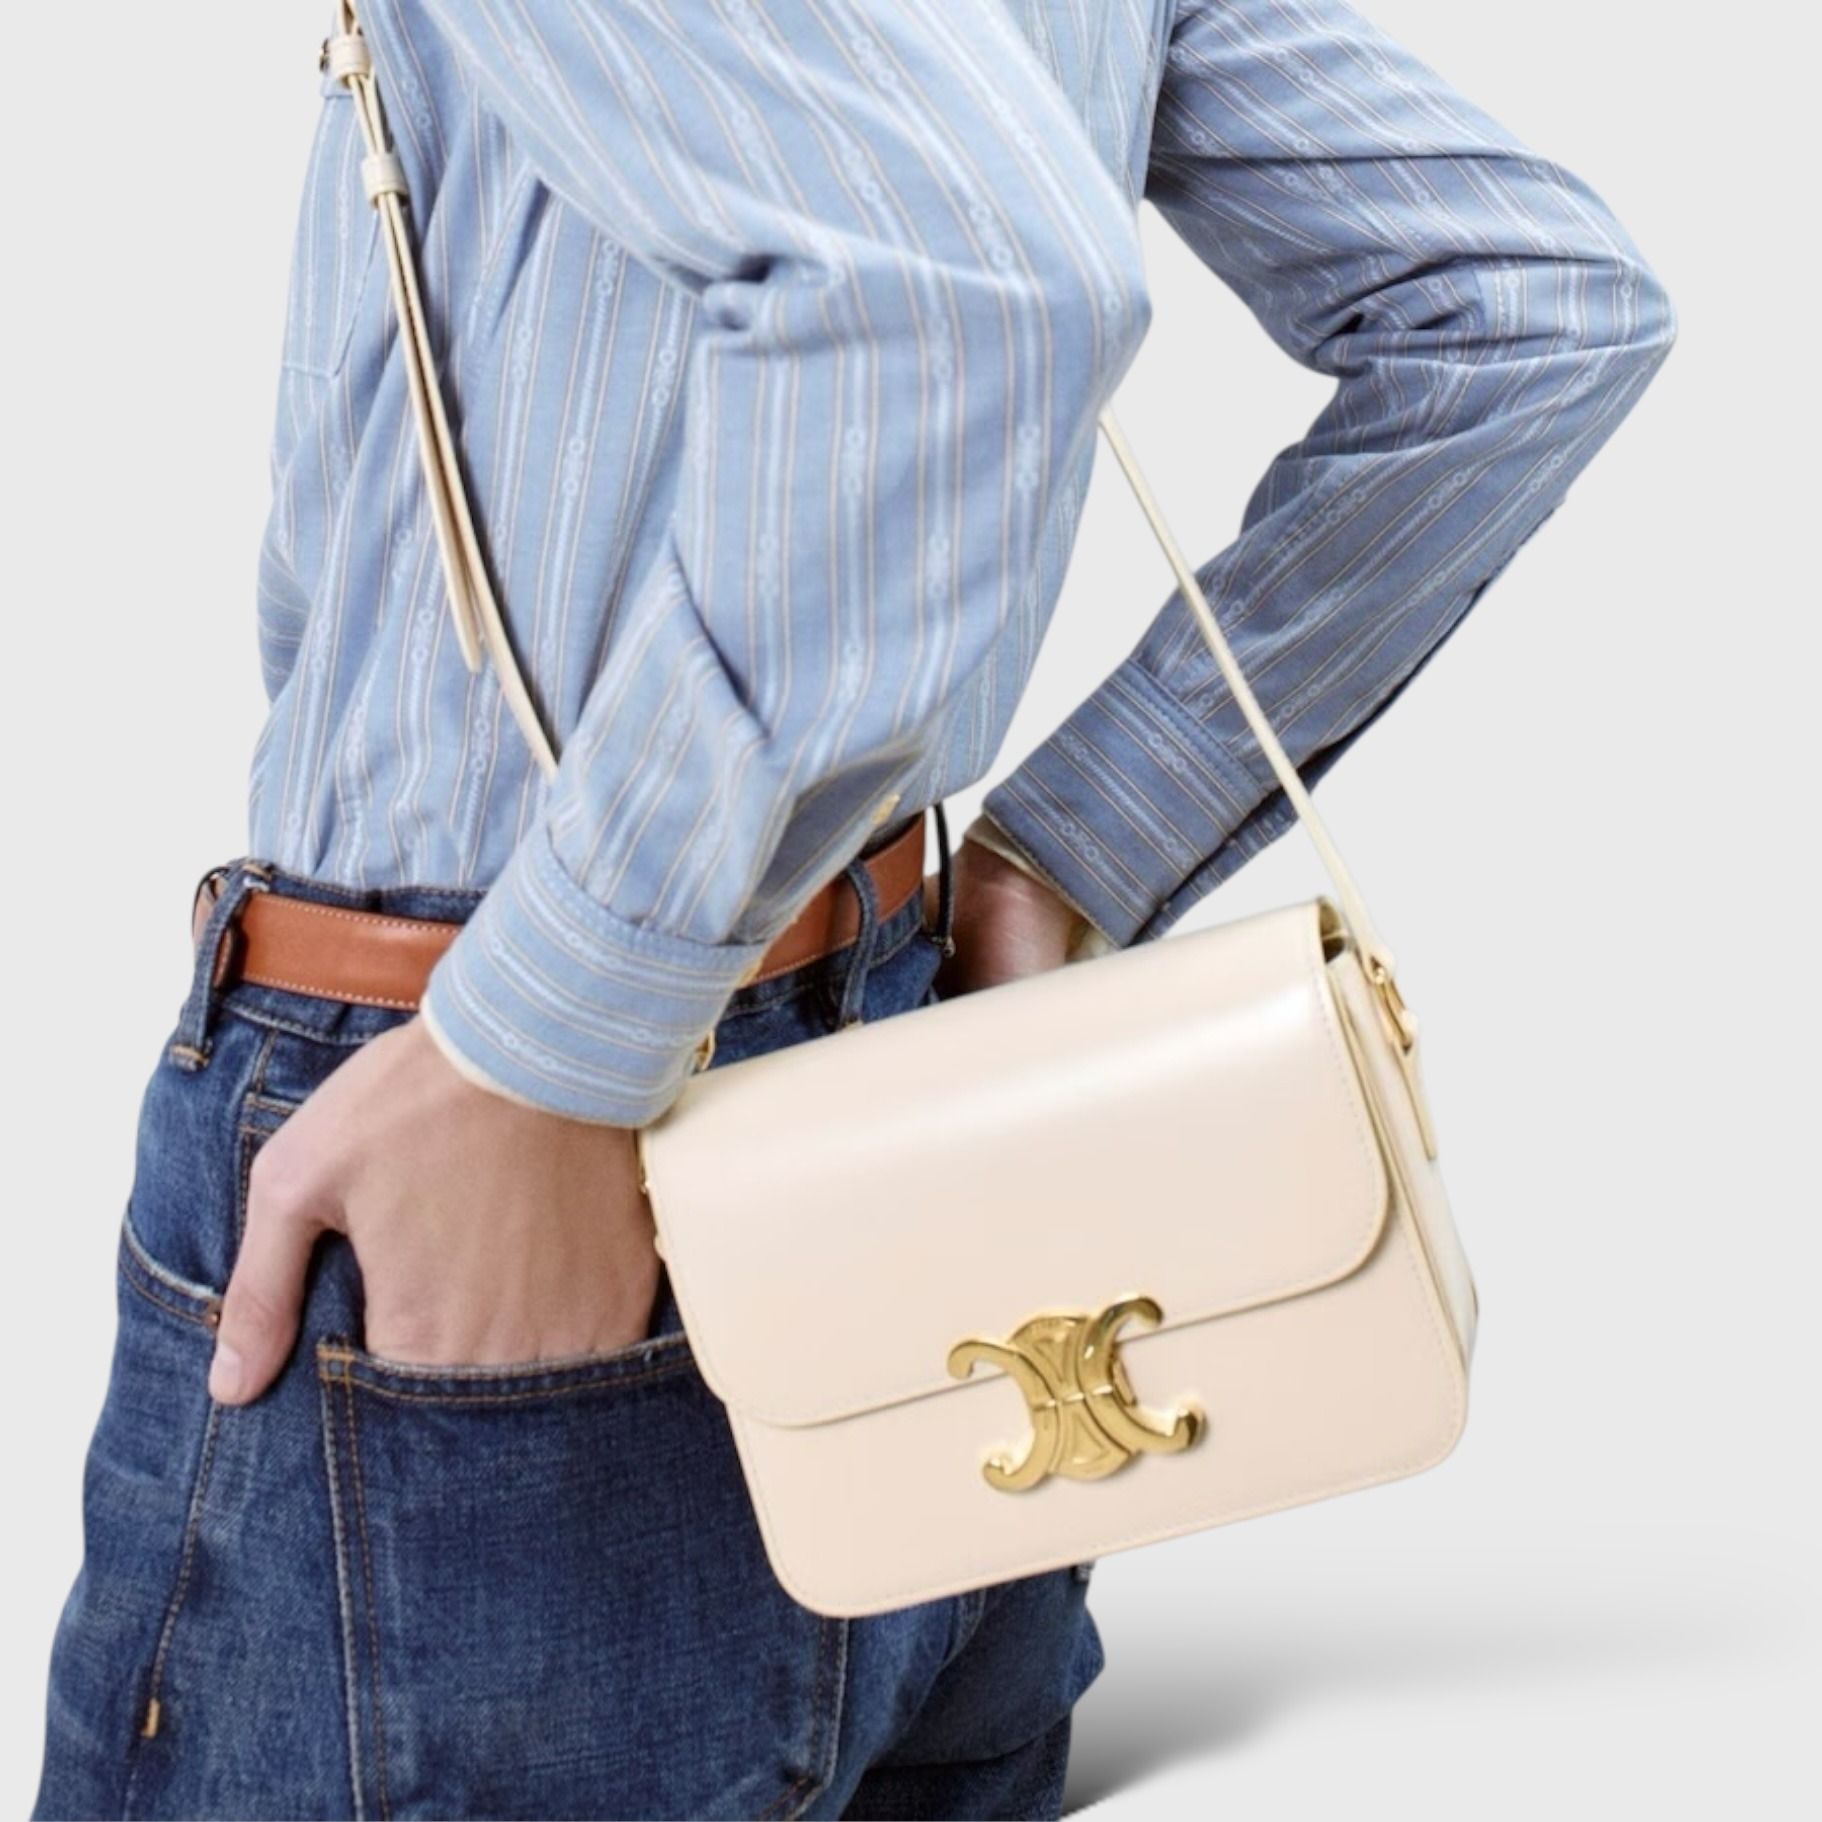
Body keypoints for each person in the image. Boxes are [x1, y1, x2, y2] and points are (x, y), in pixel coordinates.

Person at [34, 1, 1672, 1817]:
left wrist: (552, 1036)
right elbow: (1520, 306)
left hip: (500, 1106)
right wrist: (1076, 847)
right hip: (904, 1074)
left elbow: (968, 284)